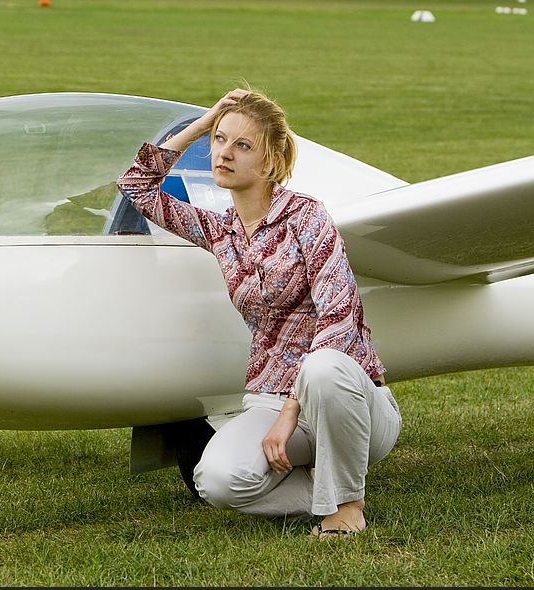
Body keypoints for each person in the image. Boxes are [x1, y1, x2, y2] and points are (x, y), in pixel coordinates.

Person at [117, 89, 402, 537]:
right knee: (216, 482)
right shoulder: (219, 231)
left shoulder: (307, 216)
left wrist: (291, 412)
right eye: (220, 140)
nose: (224, 153)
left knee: (324, 368)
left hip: (349, 401)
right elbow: (135, 185)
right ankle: (329, 488)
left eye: (243, 145)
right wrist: (206, 120)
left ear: (270, 163)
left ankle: (347, 508)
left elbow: (340, 316)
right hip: (269, 399)